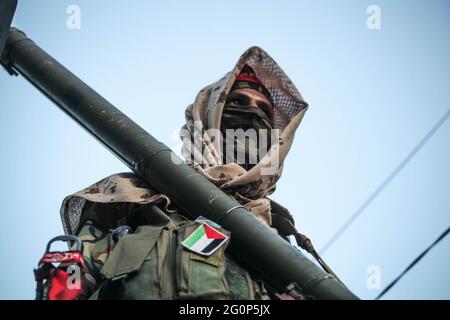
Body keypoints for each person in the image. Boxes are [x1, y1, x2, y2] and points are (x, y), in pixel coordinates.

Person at [58, 46, 309, 300]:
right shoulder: (130, 201)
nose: (253, 113)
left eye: (263, 111)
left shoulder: (283, 246)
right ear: (209, 114)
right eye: (237, 102)